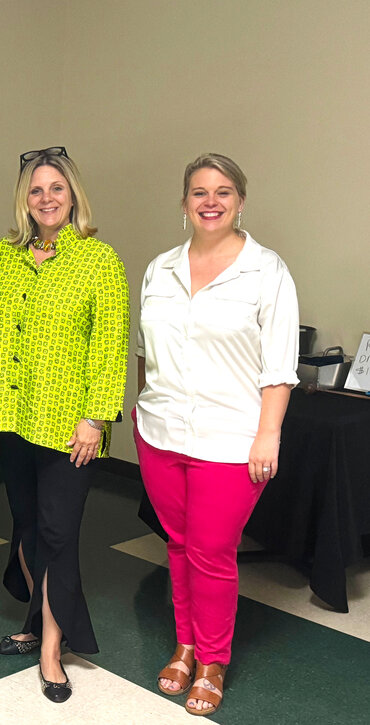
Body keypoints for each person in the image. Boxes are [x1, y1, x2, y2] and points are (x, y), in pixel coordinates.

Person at [134, 153, 299, 716]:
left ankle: (212, 660)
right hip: (159, 432)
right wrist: (141, 412)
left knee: (211, 551)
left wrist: (268, 436)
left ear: (240, 201)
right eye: (199, 192)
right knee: (177, 544)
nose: (211, 201)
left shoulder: (266, 271)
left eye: (223, 192)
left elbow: (279, 368)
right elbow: (145, 355)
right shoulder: (161, 269)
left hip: (231, 440)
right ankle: (184, 644)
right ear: (184, 203)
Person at [0, 147, 129, 703]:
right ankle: (38, 621)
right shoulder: (1, 256)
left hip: (70, 426)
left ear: (73, 195)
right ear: (25, 199)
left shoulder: (99, 260)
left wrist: (95, 417)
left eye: (56, 189)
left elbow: (110, 347)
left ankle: (51, 651)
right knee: (27, 526)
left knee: (59, 533)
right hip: (11, 416)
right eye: (36, 190)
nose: (46, 198)